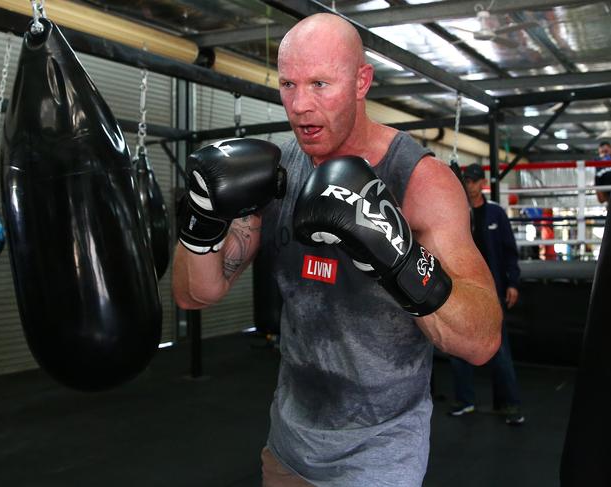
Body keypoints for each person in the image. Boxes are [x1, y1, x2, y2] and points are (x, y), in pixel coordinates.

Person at [172, 13, 502, 487]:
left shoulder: (420, 180)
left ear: (362, 81)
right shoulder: (278, 170)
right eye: (288, 84)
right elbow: (195, 294)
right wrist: (203, 222)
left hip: (380, 456)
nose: (300, 105)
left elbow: (482, 340)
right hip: (289, 445)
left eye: (321, 84)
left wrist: (399, 257)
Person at [448, 163, 524, 425]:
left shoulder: (495, 214)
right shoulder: (456, 213)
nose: (468, 185)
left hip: (492, 291)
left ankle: (511, 404)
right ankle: (465, 400)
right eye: (465, 181)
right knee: (458, 349)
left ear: (482, 183)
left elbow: (509, 252)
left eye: (472, 181)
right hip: (460, 290)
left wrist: (512, 283)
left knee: (500, 350)